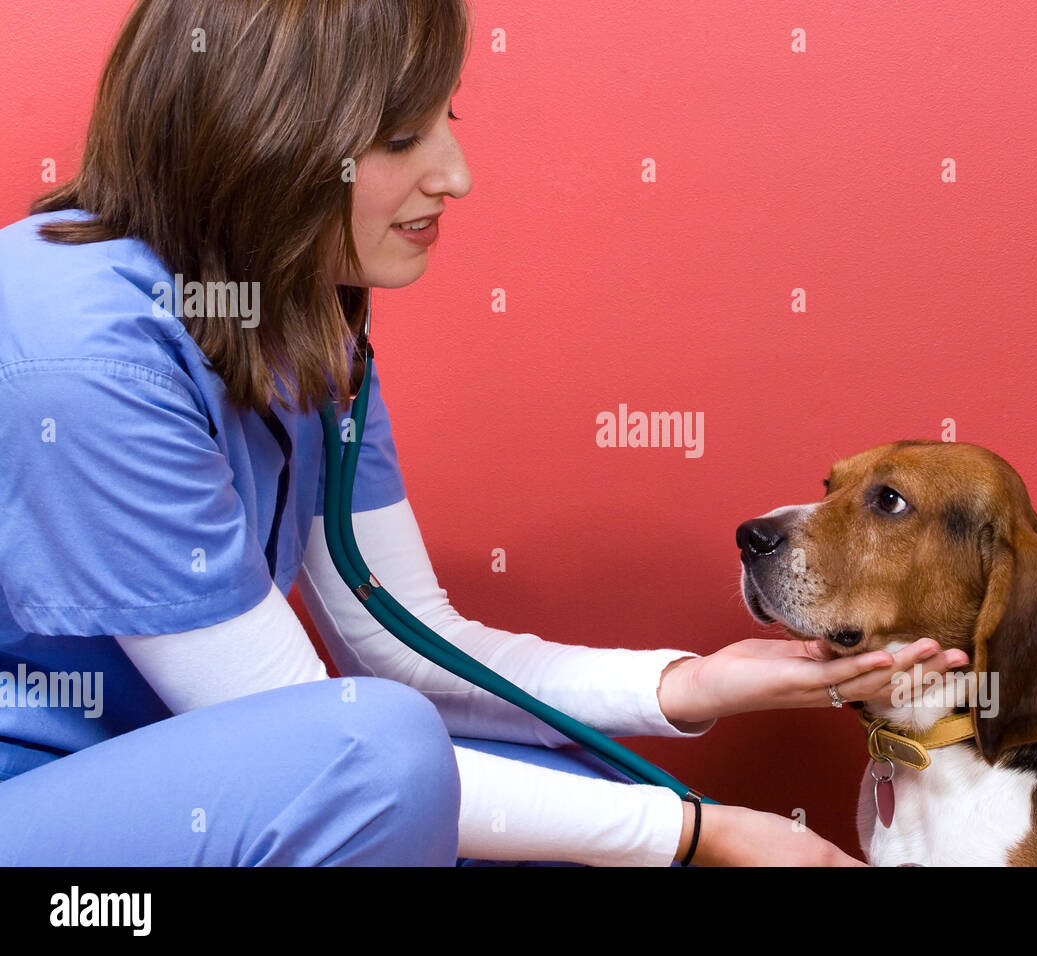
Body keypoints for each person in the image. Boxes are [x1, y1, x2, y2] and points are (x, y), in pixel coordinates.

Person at [0, 0, 968, 866]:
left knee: (590, 778)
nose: (454, 175)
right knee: (398, 760)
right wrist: (697, 834)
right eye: (400, 135)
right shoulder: (82, 357)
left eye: (445, 121)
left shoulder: (304, 321)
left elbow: (410, 647)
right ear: (259, 134)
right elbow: (324, 742)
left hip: (155, 772)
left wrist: (689, 687)